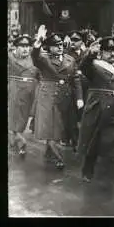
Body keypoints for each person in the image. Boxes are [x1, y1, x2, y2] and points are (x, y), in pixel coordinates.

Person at [76, 36, 114, 190]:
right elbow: (83, 67)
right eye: (108, 51)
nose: (112, 54)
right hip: (99, 110)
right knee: (93, 143)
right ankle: (87, 170)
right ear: (101, 52)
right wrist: (90, 53)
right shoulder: (95, 65)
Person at [31, 26, 83, 169]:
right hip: (48, 96)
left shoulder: (70, 59)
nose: (59, 48)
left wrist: (79, 98)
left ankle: (49, 153)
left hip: (65, 97)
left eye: (60, 45)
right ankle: (59, 157)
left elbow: (76, 80)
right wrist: (38, 42)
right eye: (55, 46)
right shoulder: (44, 58)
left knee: (59, 127)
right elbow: (35, 56)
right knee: (51, 128)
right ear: (49, 48)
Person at [8, 34, 39, 157]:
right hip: (15, 91)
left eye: (27, 46)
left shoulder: (33, 58)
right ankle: (20, 142)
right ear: (16, 47)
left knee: (24, 119)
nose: (25, 49)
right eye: (22, 46)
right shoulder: (10, 57)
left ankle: (16, 139)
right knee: (16, 118)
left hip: (31, 91)